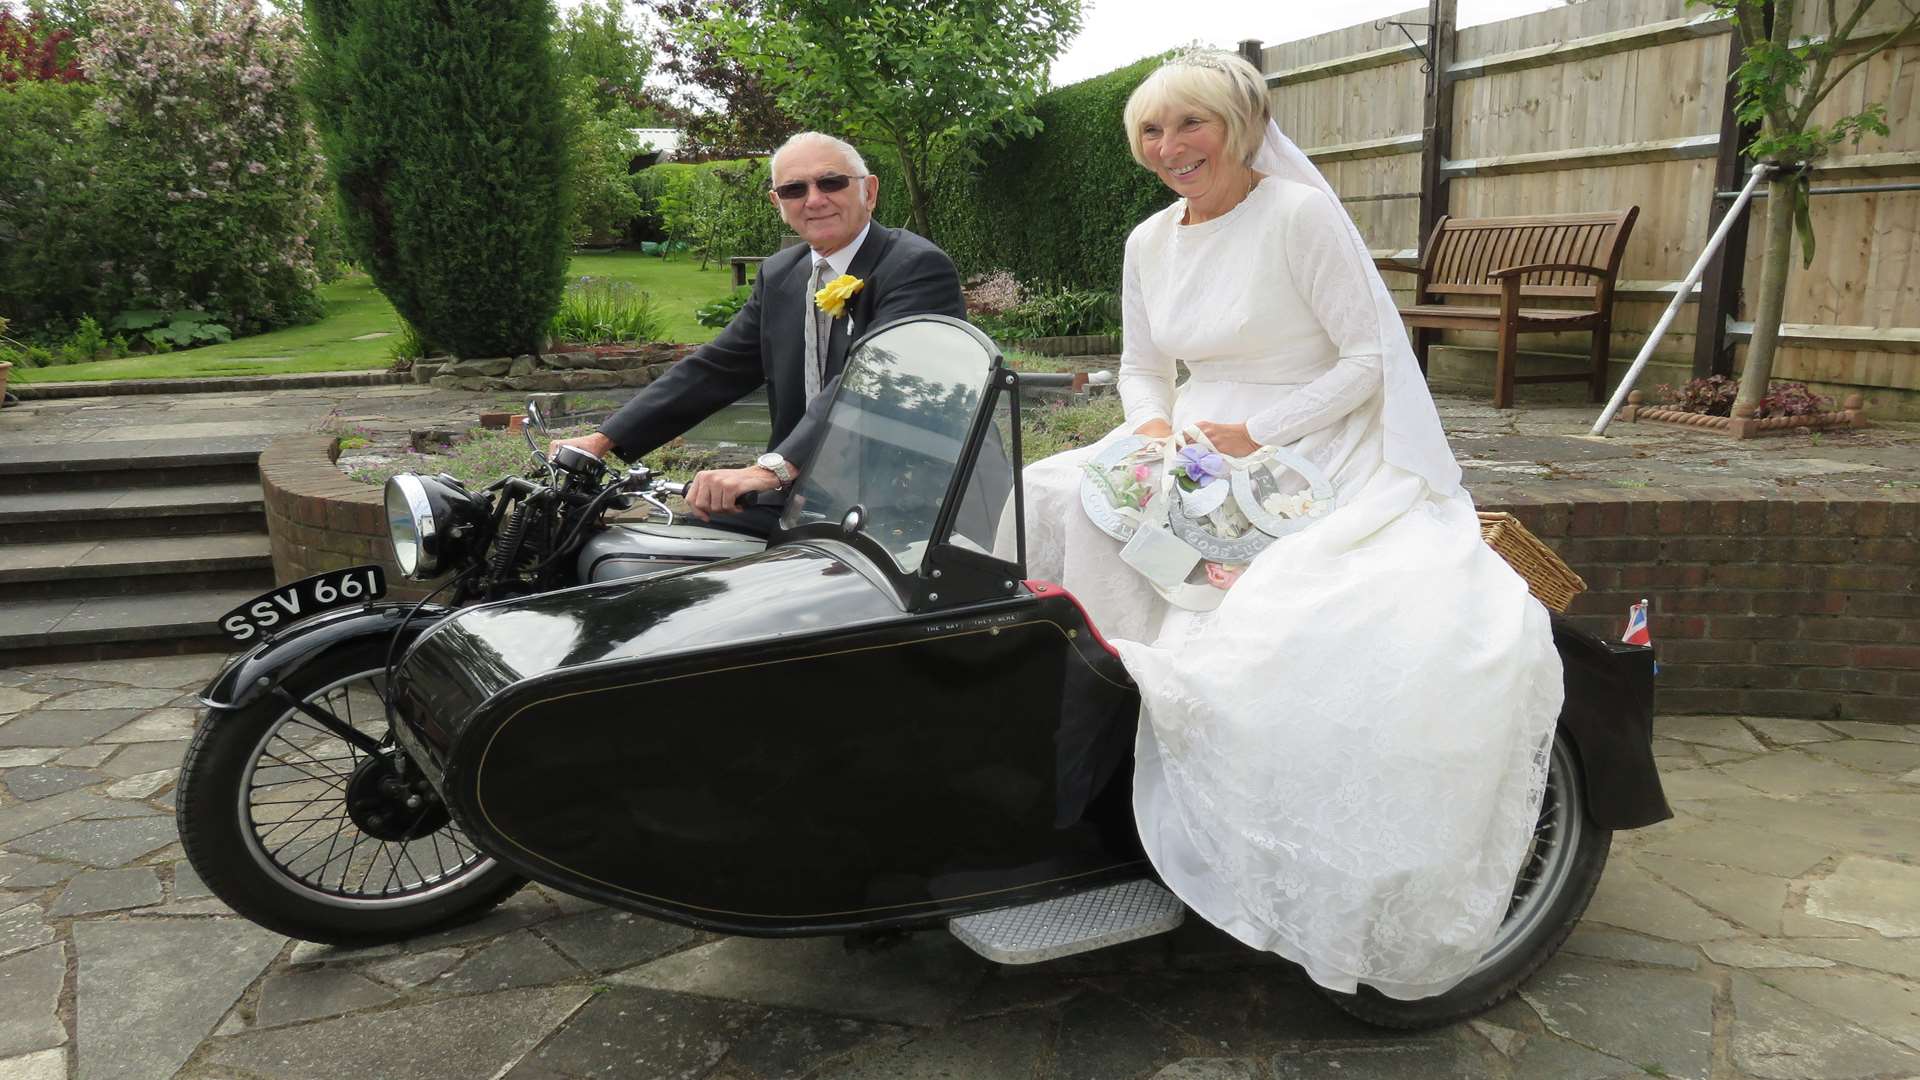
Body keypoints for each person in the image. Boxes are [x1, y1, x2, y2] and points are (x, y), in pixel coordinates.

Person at [1015, 50, 1565, 1000]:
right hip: (1185, 435)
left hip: (1308, 437)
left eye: (1191, 124)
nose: (1170, 146)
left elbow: (1367, 359)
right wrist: (1152, 429)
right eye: (1150, 130)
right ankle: (1082, 724)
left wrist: (1257, 432)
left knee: (1270, 613)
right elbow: (1143, 363)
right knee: (1049, 498)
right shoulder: (1150, 239)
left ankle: (1170, 747)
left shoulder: (1299, 216)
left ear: (1241, 125)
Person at [550, 131, 965, 532]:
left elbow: (875, 380)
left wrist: (772, 469)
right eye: (794, 190)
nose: (814, 199)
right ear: (777, 203)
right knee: (669, 552)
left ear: (869, 192)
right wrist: (604, 439)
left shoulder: (915, 268)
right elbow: (716, 368)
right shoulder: (782, 273)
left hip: (903, 499)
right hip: (807, 493)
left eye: (831, 182)